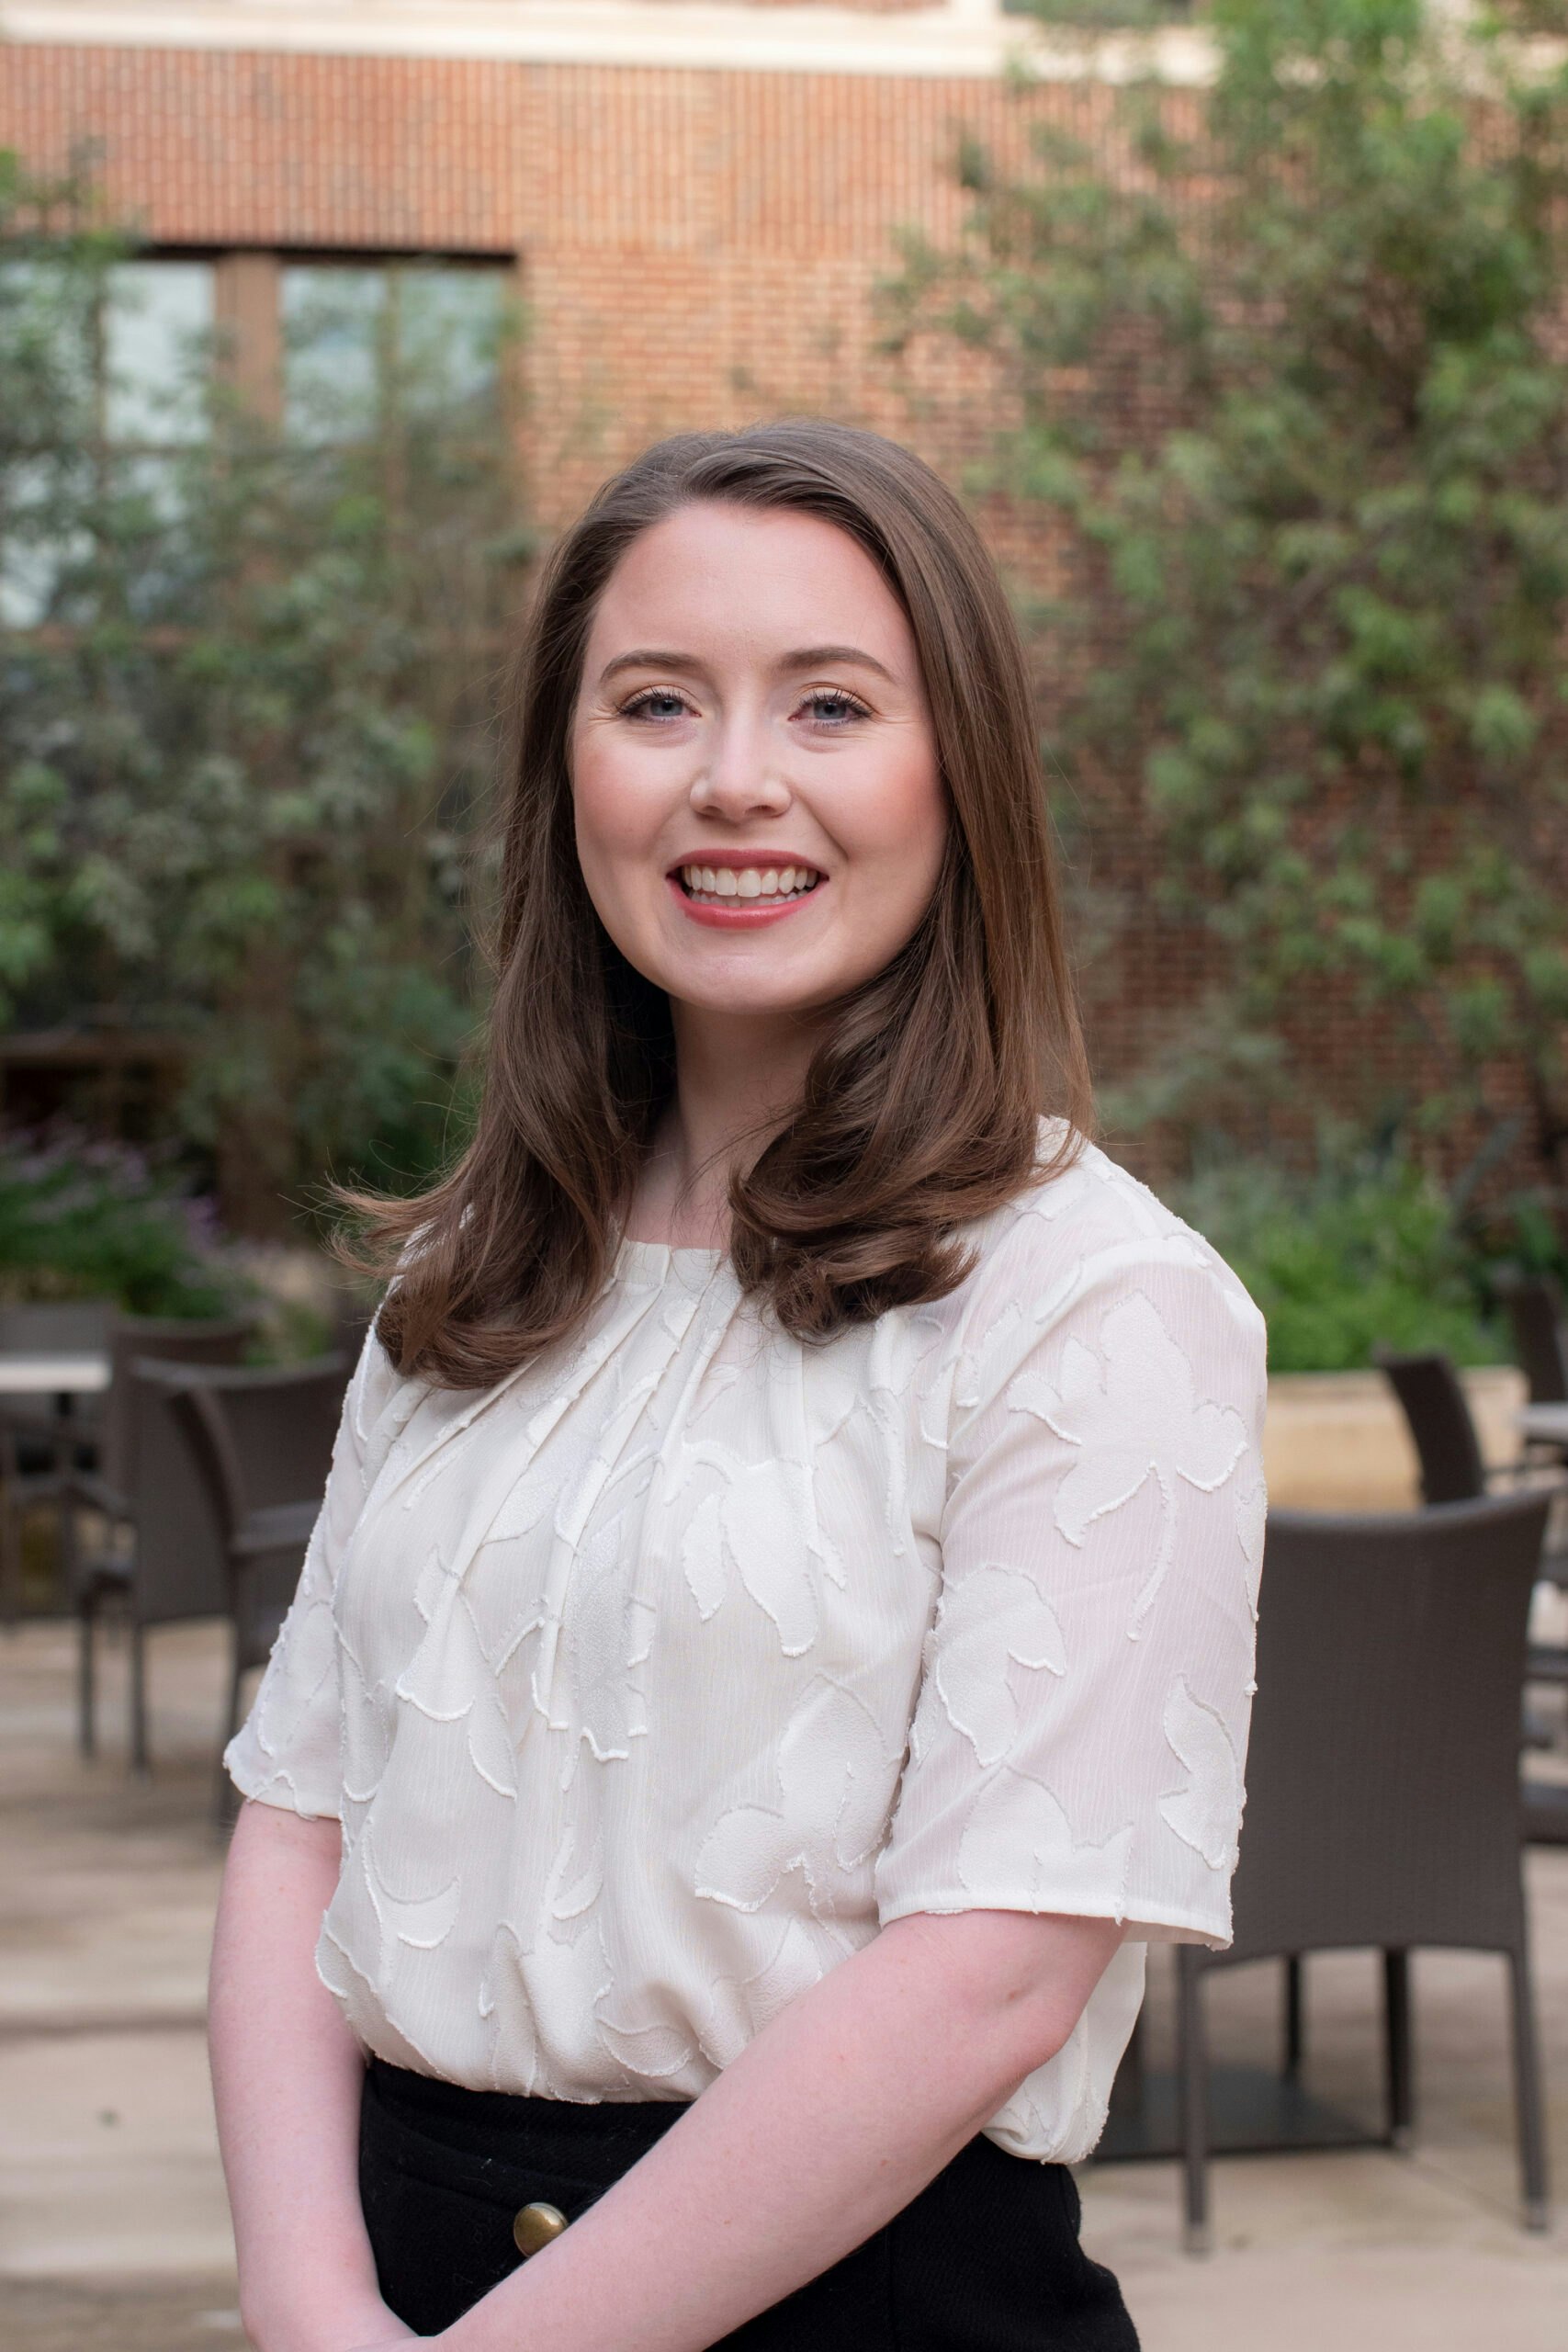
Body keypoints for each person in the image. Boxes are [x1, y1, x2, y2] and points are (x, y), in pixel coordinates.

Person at [209, 420, 1267, 2352]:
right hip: (390, 2277)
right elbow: (301, 1816)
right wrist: (303, 2299)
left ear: (961, 772)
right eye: (655, 702)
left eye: (831, 703)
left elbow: (989, 1974)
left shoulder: (1096, 1302)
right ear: (567, 773)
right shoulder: (470, 1276)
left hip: (863, 2304)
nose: (734, 779)